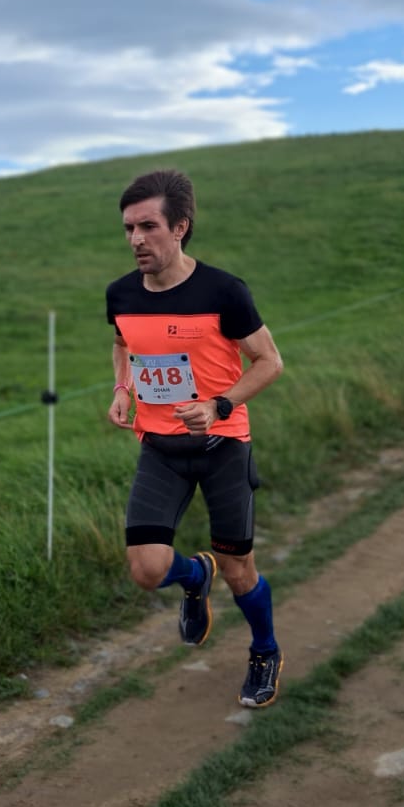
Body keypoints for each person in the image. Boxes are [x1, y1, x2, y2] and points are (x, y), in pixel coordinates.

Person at [106, 169, 287, 708]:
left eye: (148, 227)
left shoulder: (223, 291)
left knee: (240, 570)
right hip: (159, 448)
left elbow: (270, 361)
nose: (137, 240)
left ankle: (265, 649)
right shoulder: (120, 293)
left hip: (223, 446)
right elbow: (122, 342)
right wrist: (122, 387)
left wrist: (219, 404)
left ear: (180, 227)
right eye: (128, 229)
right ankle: (192, 575)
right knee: (146, 569)